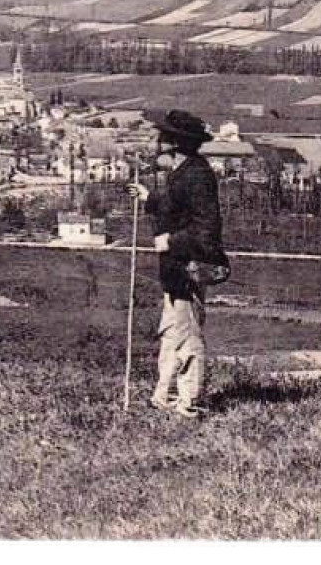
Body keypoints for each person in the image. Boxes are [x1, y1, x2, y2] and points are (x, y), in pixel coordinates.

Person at [129, 108, 226, 419]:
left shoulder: (197, 177)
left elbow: (206, 232)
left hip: (188, 267)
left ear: (172, 144)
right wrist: (150, 199)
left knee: (187, 337)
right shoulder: (184, 172)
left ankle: (189, 404)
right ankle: (165, 396)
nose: (155, 144)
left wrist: (169, 241)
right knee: (173, 331)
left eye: (160, 138)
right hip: (176, 270)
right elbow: (178, 206)